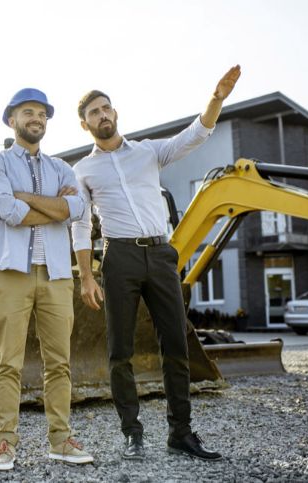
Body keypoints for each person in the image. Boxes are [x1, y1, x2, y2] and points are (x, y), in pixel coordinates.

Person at [72, 66, 242, 461]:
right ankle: (132, 433)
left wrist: (216, 98)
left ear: (116, 113)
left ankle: (180, 432)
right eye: (94, 112)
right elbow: (80, 227)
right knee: (119, 351)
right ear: (85, 124)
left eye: (106, 108)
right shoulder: (83, 170)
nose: (103, 115)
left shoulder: (149, 151)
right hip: (119, 258)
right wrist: (86, 277)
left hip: (161, 254)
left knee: (176, 344)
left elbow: (196, 135)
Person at [0, 88, 93, 471]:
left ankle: (61, 440)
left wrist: (26, 197)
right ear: (12, 119)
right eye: (28, 112)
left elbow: (77, 209)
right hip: (12, 274)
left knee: (59, 363)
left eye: (42, 114)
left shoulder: (62, 169)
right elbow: (7, 212)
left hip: (58, 276)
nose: (36, 119)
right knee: (8, 363)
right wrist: (54, 208)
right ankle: (5, 444)